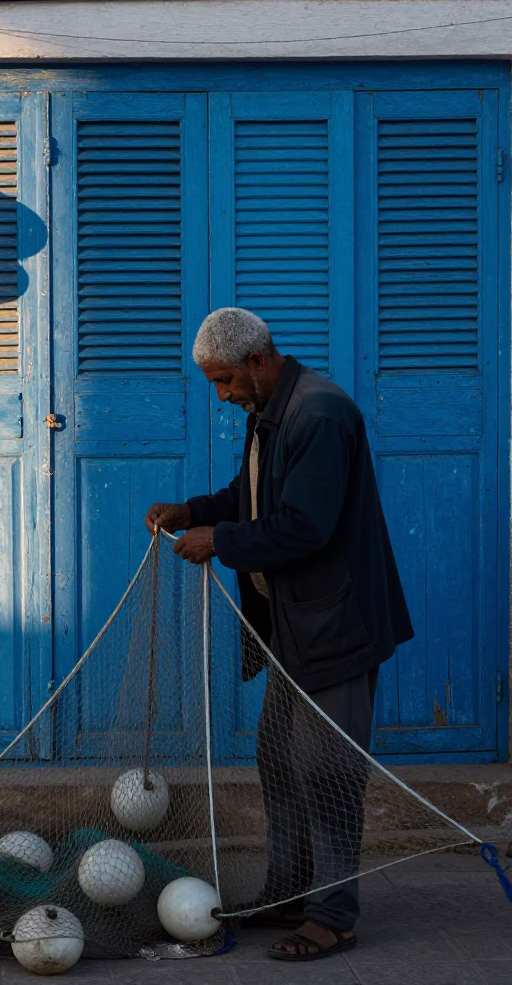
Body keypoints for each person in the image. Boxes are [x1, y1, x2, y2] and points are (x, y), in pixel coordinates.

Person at [144, 308, 413, 962]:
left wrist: (221, 541)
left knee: (327, 770)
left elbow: (304, 527)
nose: (223, 395)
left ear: (259, 363)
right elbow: (253, 494)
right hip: (294, 630)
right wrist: (197, 511)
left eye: (226, 381)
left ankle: (333, 915)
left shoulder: (319, 414)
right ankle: (290, 894)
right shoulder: (269, 410)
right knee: (279, 759)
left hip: (335, 628)